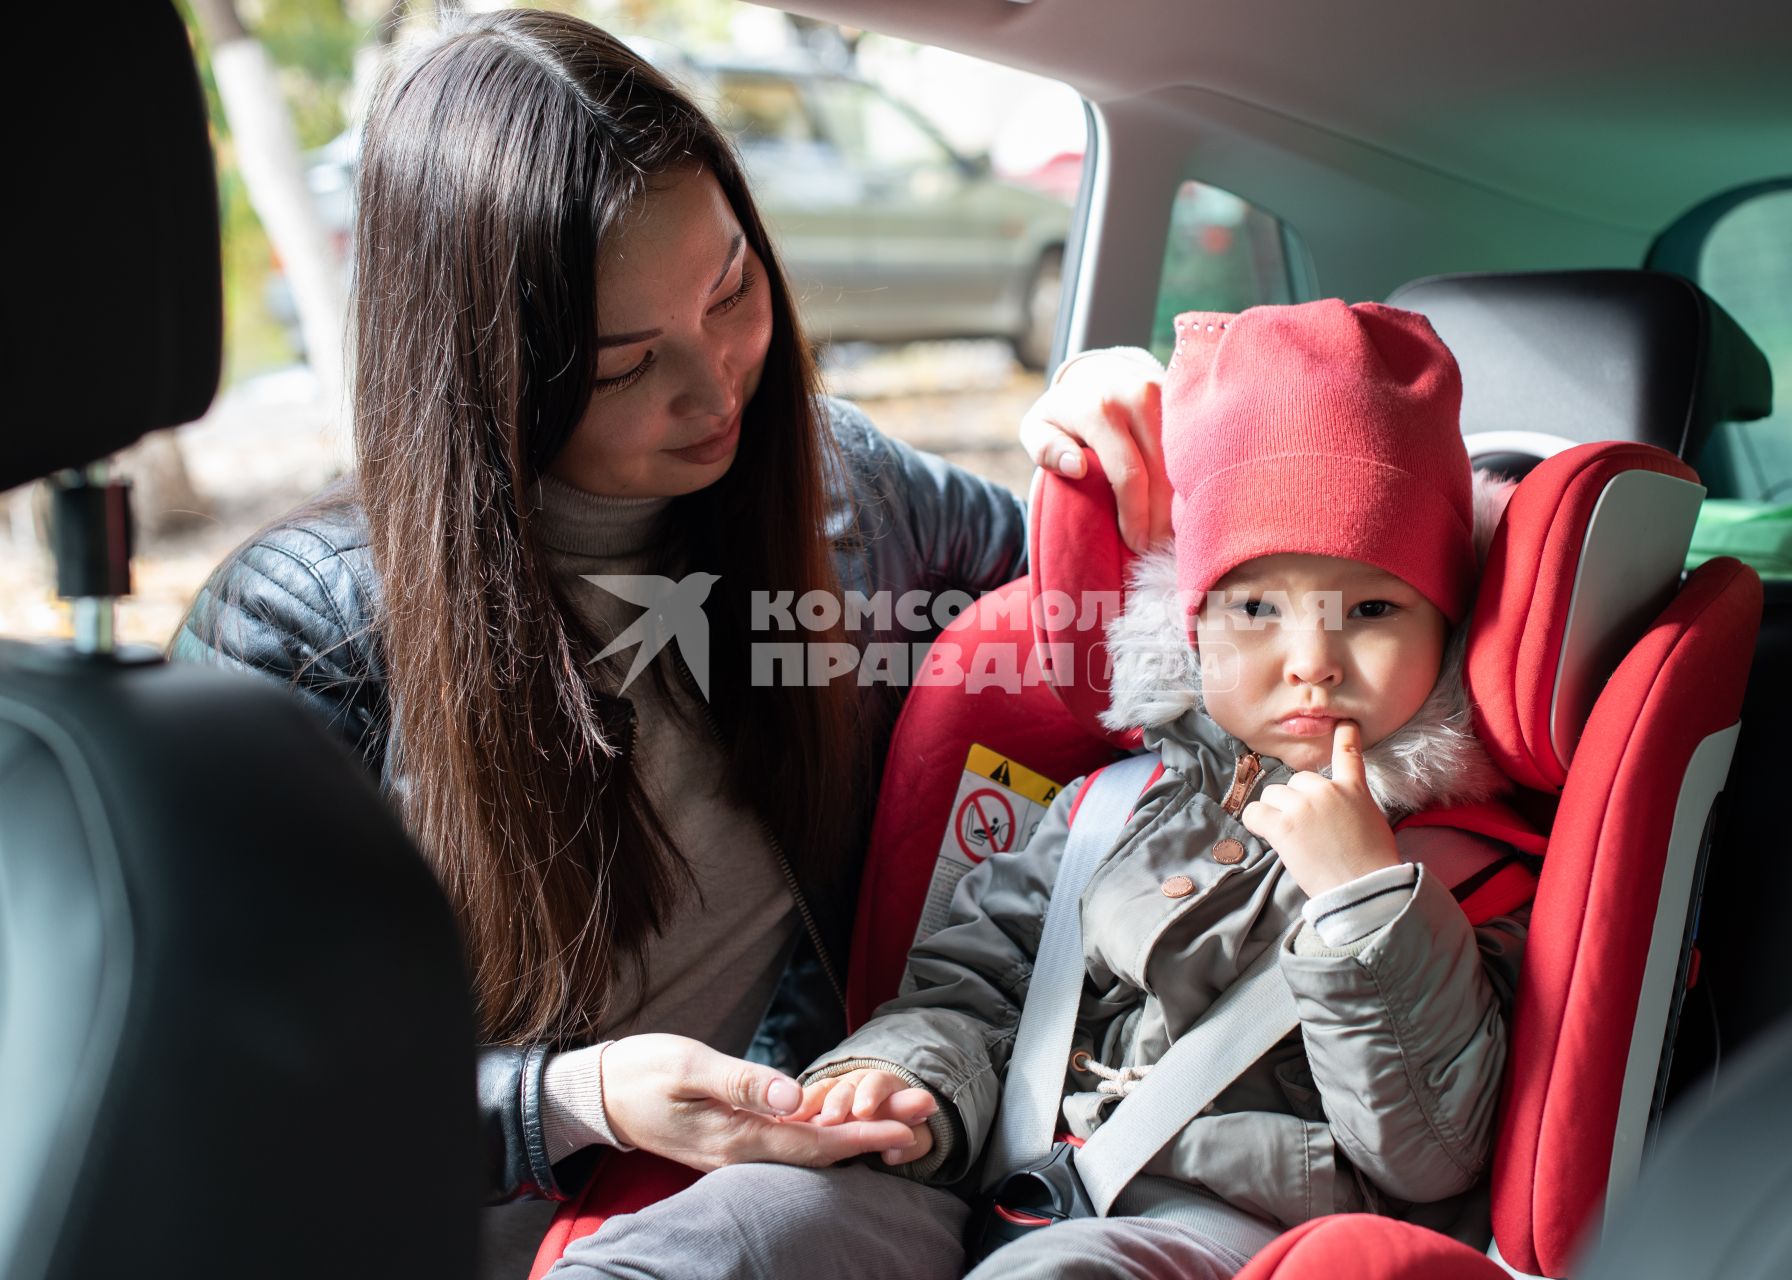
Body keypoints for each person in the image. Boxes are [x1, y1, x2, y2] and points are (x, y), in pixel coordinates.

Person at [166, 5, 1168, 1259]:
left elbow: (1096, 608)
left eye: (733, 287)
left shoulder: (843, 491)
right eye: (626, 362)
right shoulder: (301, 629)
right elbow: (235, 1085)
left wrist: (1097, 437)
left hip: (778, 1193)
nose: (716, 385)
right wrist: (572, 1098)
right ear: (491, 372)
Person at [544, 301, 1529, 1280]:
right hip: (988, 1175)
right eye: (1258, 605)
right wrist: (896, 1081)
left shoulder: (1469, 873)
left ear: (1447, 620)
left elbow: (1433, 1151)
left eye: (1370, 607)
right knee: (739, 1227)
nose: (1310, 659)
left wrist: (1365, 903)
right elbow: (968, 993)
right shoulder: (1107, 809)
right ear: (1189, 620)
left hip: (1222, 1229)